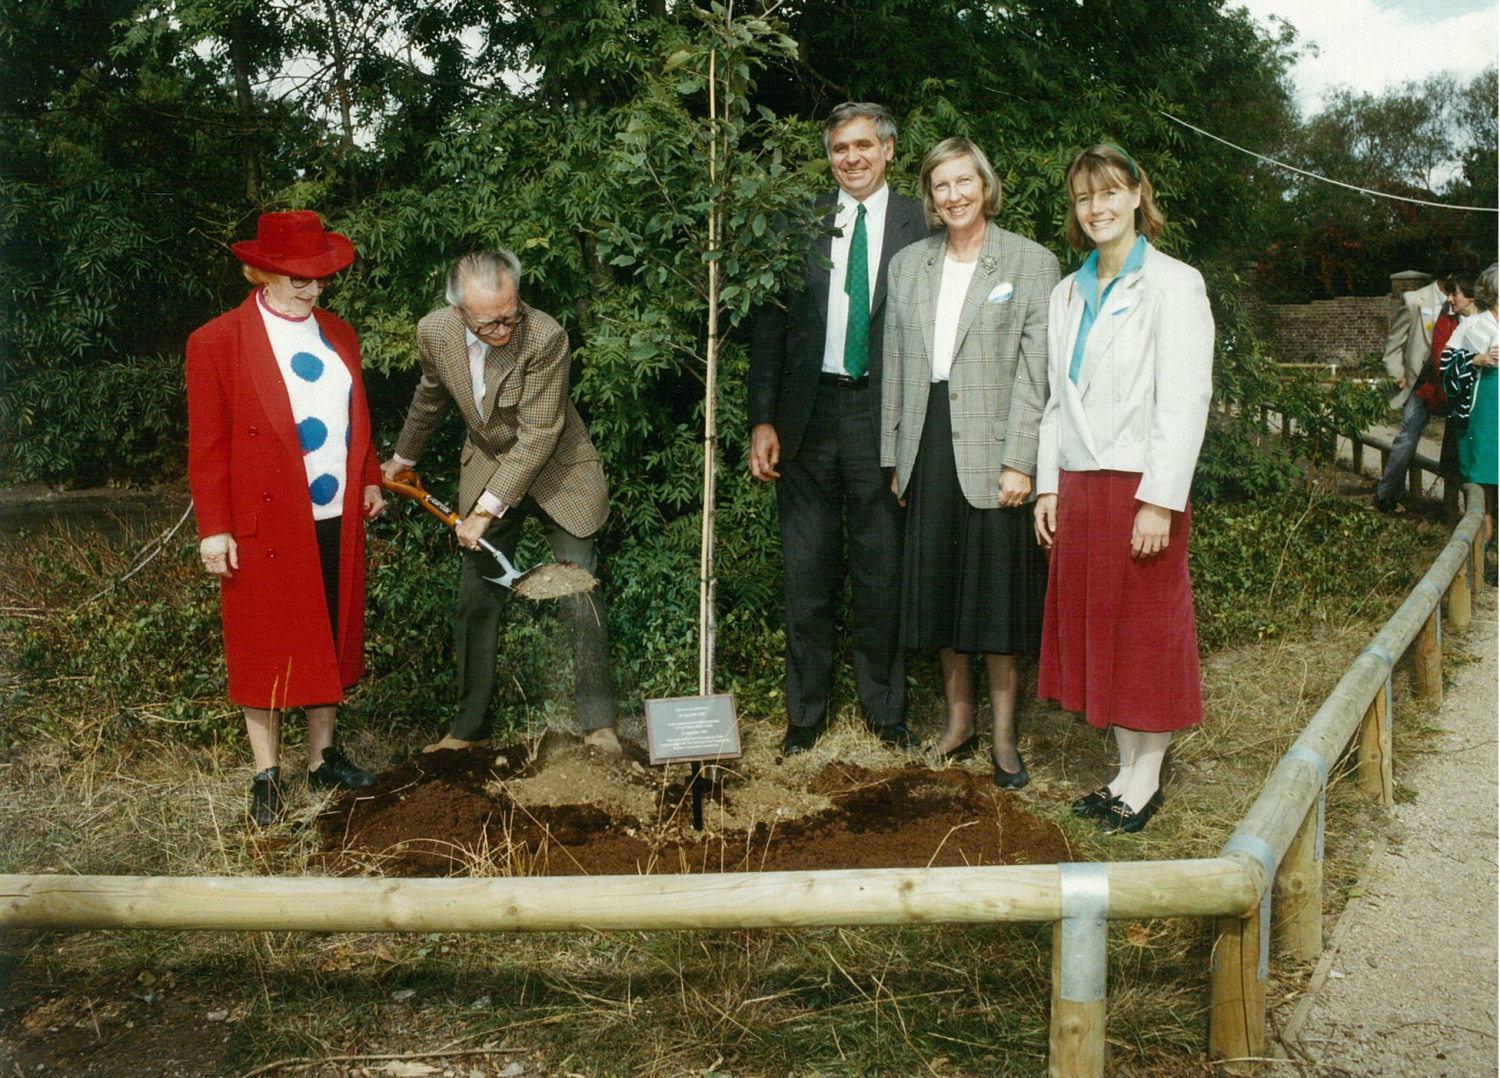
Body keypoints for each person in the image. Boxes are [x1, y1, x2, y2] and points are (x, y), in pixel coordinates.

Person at [1033, 144, 1214, 834]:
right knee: (1101, 629)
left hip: (1141, 487)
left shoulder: (1174, 283)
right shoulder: (1066, 291)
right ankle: (1122, 769)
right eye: (1084, 197)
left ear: (1138, 195)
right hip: (1080, 485)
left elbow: (1185, 400)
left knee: (1145, 631)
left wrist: (1160, 500)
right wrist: (1049, 484)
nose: (1097, 207)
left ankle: (1148, 778)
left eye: (1109, 192)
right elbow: (1058, 399)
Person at [187, 210, 385, 826]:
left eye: (319, 276)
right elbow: (208, 444)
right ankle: (266, 774)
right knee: (265, 646)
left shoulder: (340, 334)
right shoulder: (216, 341)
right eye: (296, 277)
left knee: (326, 633)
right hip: (264, 524)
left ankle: (323, 760)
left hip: (332, 513)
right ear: (260, 273)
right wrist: (213, 526)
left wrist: (371, 476)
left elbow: (356, 417)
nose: (312, 288)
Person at [382, 250, 619, 754]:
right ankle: (469, 729)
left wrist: (485, 512)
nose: (505, 328)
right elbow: (429, 397)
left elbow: (538, 436)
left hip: (558, 468)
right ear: (459, 312)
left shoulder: (547, 335)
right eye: (490, 323)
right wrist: (402, 459)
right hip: (489, 462)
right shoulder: (435, 333)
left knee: (580, 587)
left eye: (512, 314)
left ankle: (600, 725)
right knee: (476, 598)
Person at [748, 102, 930, 755]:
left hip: (883, 414)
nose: (850, 158)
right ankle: (806, 715)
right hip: (806, 417)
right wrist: (761, 417)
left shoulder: (922, 220)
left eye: (862, 146)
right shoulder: (796, 220)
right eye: (838, 149)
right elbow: (768, 326)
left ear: (888, 150)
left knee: (882, 568)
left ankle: (885, 710)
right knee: (807, 568)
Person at [881, 137, 1057, 787]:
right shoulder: (909, 266)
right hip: (926, 446)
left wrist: (1022, 461)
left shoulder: (1031, 262)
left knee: (994, 604)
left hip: (995, 452)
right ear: (929, 196)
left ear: (985, 185)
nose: (953, 196)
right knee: (941, 595)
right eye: (940, 186)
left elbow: (1036, 374)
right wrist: (894, 456)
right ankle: (959, 726)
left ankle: (1006, 741)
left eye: (964, 182)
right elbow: (897, 366)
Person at [1376, 270, 1459, 513]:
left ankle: (1453, 507)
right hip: (1421, 383)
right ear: (1450, 274)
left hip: (1450, 381)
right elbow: (1393, 345)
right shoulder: (1415, 300)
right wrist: (1396, 374)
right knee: (1408, 436)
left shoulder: (1466, 298)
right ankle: (1387, 493)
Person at [1441, 262, 1498, 568]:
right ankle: (1485, 545)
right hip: (1486, 408)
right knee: (1485, 480)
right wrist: (1474, 359)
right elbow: (1445, 364)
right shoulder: (1473, 327)